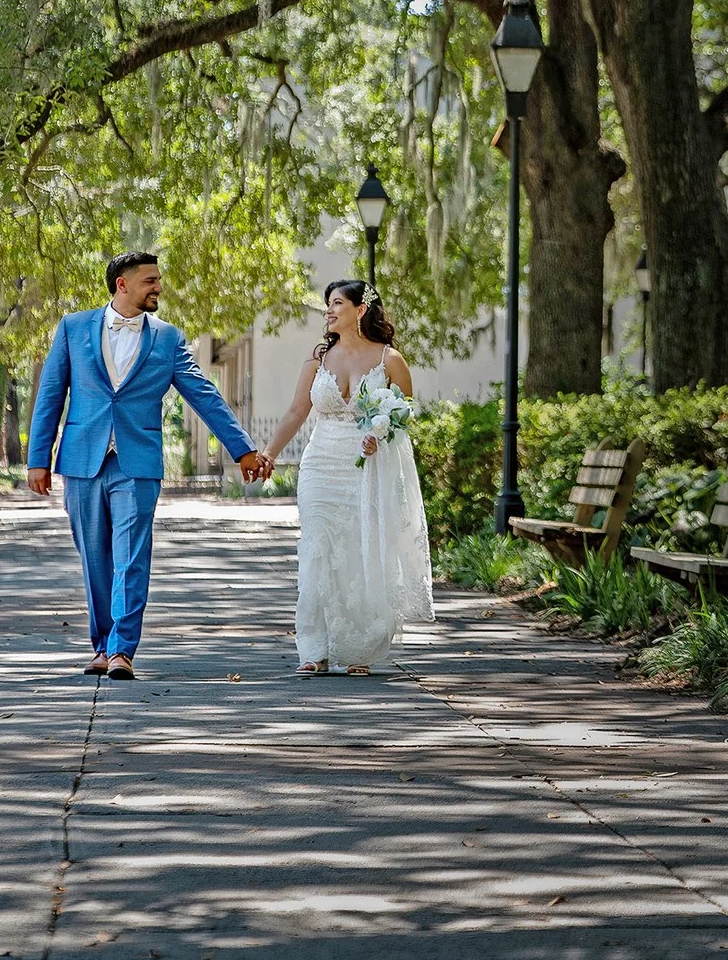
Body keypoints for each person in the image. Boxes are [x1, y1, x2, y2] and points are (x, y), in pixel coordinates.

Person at [26, 251, 271, 680]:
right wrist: (38, 459)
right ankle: (101, 645)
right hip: (83, 459)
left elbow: (203, 394)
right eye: (150, 280)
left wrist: (242, 448)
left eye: (158, 280)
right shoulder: (73, 328)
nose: (158, 287)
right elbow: (50, 395)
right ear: (122, 284)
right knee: (94, 559)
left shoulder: (168, 338)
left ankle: (122, 649)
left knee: (131, 555)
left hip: (136, 463)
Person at [257, 280, 433, 675]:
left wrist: (379, 437)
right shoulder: (319, 357)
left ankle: (359, 649)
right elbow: (296, 411)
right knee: (318, 547)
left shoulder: (390, 360)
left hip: (366, 467)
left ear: (361, 308)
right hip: (320, 464)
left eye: (337, 303)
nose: (329, 311)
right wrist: (269, 452)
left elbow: (403, 417)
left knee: (360, 550)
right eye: (327, 305)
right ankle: (313, 649)